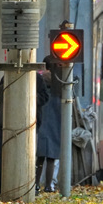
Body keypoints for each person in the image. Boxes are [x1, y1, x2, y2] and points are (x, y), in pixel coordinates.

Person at [0, 71, 50, 197]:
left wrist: (29, 97)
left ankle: (26, 188)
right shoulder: (8, 76)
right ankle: (2, 188)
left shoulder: (35, 78)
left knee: (26, 157)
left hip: (26, 123)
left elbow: (45, 97)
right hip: (7, 123)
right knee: (5, 157)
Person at [36, 56, 63, 192]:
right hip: (56, 120)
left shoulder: (38, 79)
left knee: (40, 157)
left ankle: (35, 185)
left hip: (41, 119)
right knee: (52, 157)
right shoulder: (61, 81)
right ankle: (49, 185)